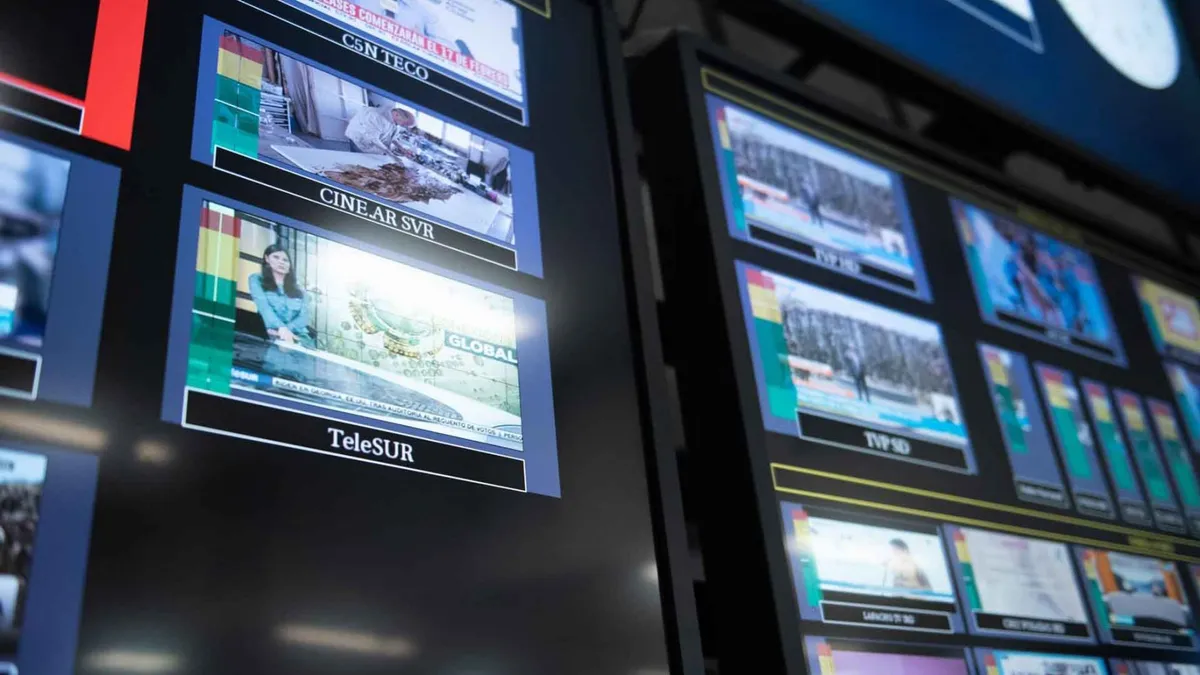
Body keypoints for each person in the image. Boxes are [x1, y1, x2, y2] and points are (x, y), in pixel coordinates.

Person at [248, 244, 313, 348]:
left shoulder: (301, 292)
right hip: (269, 334)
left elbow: (304, 318)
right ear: (267, 259)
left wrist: (285, 331)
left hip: (298, 338)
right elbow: (264, 308)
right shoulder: (256, 279)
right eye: (276, 257)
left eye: (285, 260)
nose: (281, 262)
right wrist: (280, 328)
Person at [344, 103, 417, 156]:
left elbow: (392, 138)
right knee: (358, 163)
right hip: (359, 142)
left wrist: (402, 149)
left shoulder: (394, 122)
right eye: (405, 124)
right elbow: (373, 139)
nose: (403, 126)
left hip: (373, 146)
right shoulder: (375, 116)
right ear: (397, 114)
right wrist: (390, 154)